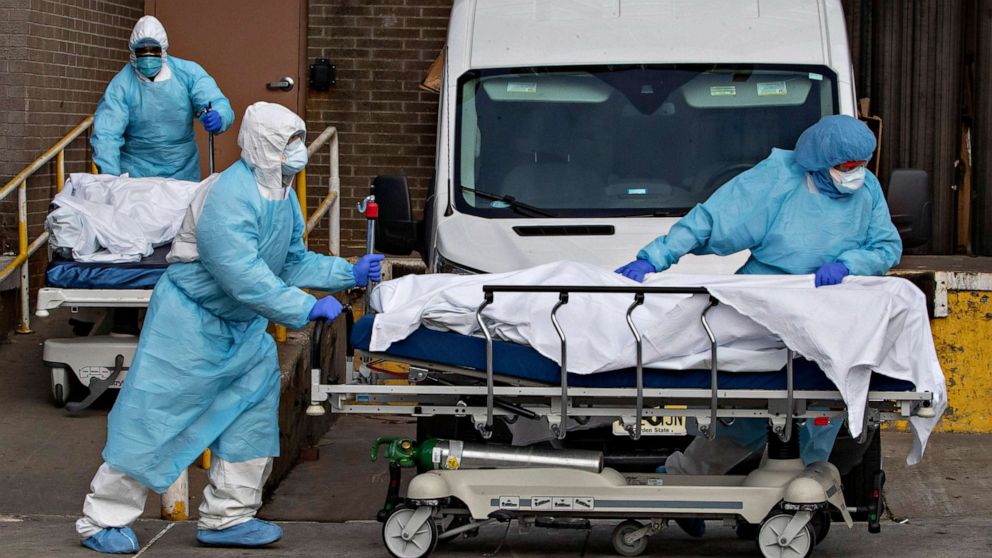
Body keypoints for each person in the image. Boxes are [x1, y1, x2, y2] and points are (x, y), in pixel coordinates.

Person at [76, 102, 385, 554]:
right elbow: (241, 275)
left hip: (242, 331)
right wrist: (303, 307)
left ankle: (229, 516)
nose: (298, 152)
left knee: (251, 422)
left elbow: (291, 259)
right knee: (154, 420)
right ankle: (101, 519)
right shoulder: (227, 196)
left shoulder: (282, 194)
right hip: (190, 326)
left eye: (300, 141)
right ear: (265, 145)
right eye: (289, 143)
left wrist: (347, 273)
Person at [615, 114, 902, 537]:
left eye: (861, 164)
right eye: (844, 167)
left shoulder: (867, 189)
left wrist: (849, 264)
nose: (854, 174)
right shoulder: (777, 181)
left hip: (830, 316)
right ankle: (683, 484)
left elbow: (886, 245)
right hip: (765, 307)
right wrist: (654, 257)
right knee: (746, 416)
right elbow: (709, 221)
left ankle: (788, 504)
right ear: (818, 161)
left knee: (822, 413)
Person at [91, 15, 235, 181]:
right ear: (133, 52)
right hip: (135, 174)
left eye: (154, 50)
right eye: (142, 51)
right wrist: (110, 178)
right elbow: (106, 135)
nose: (148, 55)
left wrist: (219, 116)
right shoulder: (121, 85)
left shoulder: (188, 74)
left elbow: (215, 101)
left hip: (182, 169)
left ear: (163, 50)